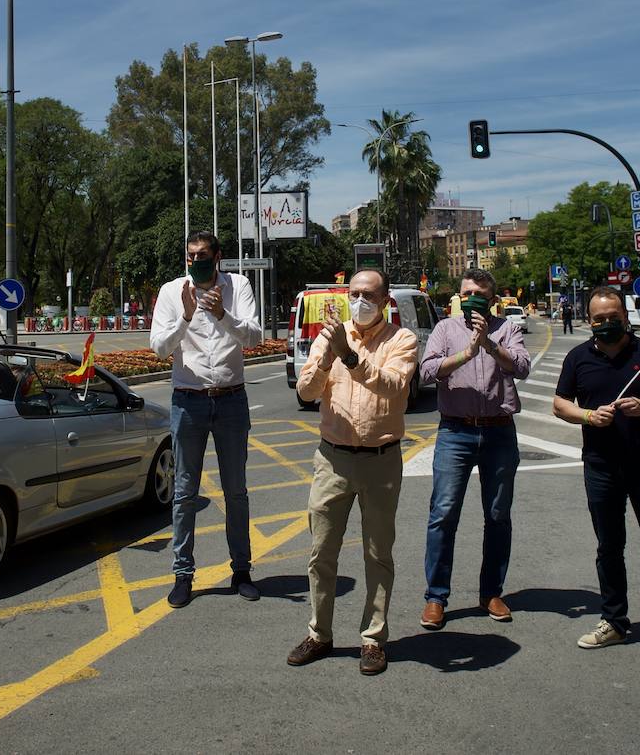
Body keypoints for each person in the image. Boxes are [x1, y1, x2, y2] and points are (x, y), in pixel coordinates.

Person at [551, 286, 640, 663]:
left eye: (612, 317)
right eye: (598, 318)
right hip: (600, 466)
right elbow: (559, 403)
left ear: (625, 315)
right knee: (609, 547)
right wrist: (588, 416)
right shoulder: (577, 357)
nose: (606, 323)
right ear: (589, 320)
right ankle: (614, 622)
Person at [287, 269, 417, 676]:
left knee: (378, 553)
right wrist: (327, 356)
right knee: (321, 552)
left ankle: (373, 639)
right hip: (333, 459)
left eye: (369, 295)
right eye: (354, 293)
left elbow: (394, 387)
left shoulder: (402, 339)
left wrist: (349, 357)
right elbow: (306, 393)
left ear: (384, 300)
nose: (360, 301)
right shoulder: (331, 334)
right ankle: (319, 634)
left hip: (381, 460)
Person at [150, 231, 262, 608]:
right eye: (190, 255)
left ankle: (241, 570)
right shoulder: (172, 292)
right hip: (188, 401)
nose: (196, 260)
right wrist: (185, 316)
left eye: (203, 254)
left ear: (217, 257)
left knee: (236, 491)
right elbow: (159, 347)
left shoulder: (239, 285)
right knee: (183, 494)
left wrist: (222, 315)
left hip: (231, 400)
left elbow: (254, 338)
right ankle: (183, 575)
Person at [418, 268, 530, 629]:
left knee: (498, 515)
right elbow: (427, 371)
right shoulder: (445, 329)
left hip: (499, 432)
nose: (472, 300)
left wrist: (488, 344)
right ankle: (436, 596)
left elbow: (523, 367)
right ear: (458, 296)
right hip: (456, 432)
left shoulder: (507, 328)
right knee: (443, 514)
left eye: (479, 294)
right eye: (466, 294)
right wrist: (467, 353)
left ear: (492, 298)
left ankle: (491, 592)